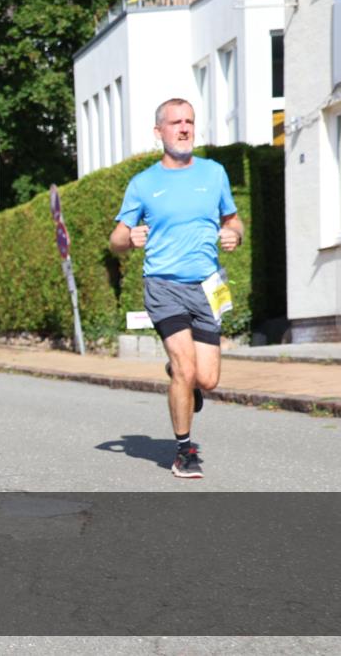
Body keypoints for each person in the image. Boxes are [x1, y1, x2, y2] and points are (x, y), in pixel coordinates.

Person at [109, 98, 243, 480]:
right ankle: (184, 450)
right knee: (186, 369)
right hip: (163, 285)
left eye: (189, 122)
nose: (184, 128)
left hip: (207, 286)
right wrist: (128, 238)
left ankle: (180, 375)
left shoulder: (214, 173)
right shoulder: (144, 183)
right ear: (159, 132)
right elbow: (116, 238)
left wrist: (234, 234)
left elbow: (234, 221)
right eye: (175, 123)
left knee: (207, 379)